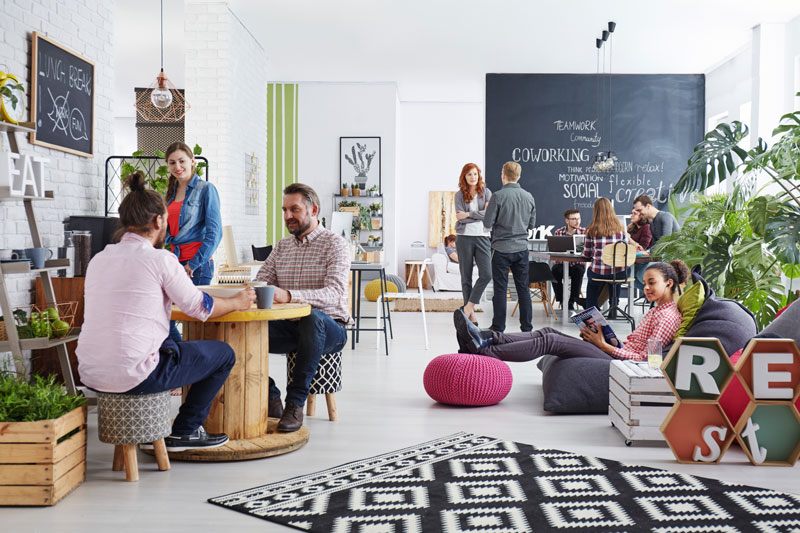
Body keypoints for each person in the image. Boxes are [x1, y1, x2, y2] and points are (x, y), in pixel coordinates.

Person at [76, 172, 256, 451]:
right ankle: (185, 430)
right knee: (223, 354)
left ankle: (166, 427)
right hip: (135, 374)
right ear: (159, 221)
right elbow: (199, 308)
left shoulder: (99, 259)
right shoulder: (161, 259)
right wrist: (238, 301)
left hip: (90, 372)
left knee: (170, 343)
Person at [254, 183, 350, 433]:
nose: (287, 216)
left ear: (313, 209)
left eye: (294, 209)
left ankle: (294, 404)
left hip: (331, 329)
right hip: (290, 329)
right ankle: (270, 395)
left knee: (311, 318)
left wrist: (288, 295)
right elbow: (263, 281)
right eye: (285, 210)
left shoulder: (335, 244)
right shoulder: (282, 247)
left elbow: (334, 294)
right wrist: (250, 289)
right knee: (240, 329)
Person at [454, 261, 687, 363]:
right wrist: (607, 336)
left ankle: (484, 350)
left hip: (617, 361)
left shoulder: (668, 317)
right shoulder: (658, 310)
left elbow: (650, 361)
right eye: (645, 283)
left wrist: (604, 345)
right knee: (546, 330)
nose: (646, 288)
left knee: (550, 341)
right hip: (617, 351)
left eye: (652, 283)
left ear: (668, 283)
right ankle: (485, 337)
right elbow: (636, 347)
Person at [164, 142, 222, 342]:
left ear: (192, 161)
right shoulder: (170, 194)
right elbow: (167, 231)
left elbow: (215, 232)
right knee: (165, 317)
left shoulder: (206, 189)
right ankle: (181, 358)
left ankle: (192, 364)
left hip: (197, 266)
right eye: (172, 162)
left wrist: (193, 264)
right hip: (175, 263)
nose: (177, 166)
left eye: (181, 161)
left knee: (194, 321)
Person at [482, 161, 536, 332]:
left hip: (500, 249)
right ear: (519, 176)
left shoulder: (497, 196)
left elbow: (487, 224)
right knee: (523, 289)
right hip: (521, 249)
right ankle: (527, 328)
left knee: (500, 289)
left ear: (503, 175)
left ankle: (498, 327)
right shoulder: (529, 196)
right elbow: (532, 225)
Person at [454, 163, 492, 325]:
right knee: (466, 277)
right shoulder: (459, 195)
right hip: (464, 238)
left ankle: (468, 307)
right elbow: (458, 217)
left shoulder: (486, 192)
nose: (473, 177)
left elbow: (488, 214)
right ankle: (471, 316)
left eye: (475, 174)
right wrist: (478, 215)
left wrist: (468, 214)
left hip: (483, 236)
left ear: (479, 175)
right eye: (469, 174)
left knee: (486, 274)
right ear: (464, 176)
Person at [582, 197, 629, 311]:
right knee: (616, 275)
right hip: (620, 273)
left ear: (596, 211)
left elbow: (587, 254)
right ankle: (614, 306)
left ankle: (592, 309)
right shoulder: (622, 229)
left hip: (599, 273)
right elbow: (624, 251)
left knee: (592, 281)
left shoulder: (592, 230)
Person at [551, 209, 586, 311]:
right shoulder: (559, 232)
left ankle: (572, 301)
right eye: (574, 219)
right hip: (562, 264)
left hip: (577, 264)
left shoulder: (584, 232)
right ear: (567, 220)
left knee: (578, 271)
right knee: (554, 271)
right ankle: (562, 300)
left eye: (578, 218)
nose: (577, 221)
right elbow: (555, 252)